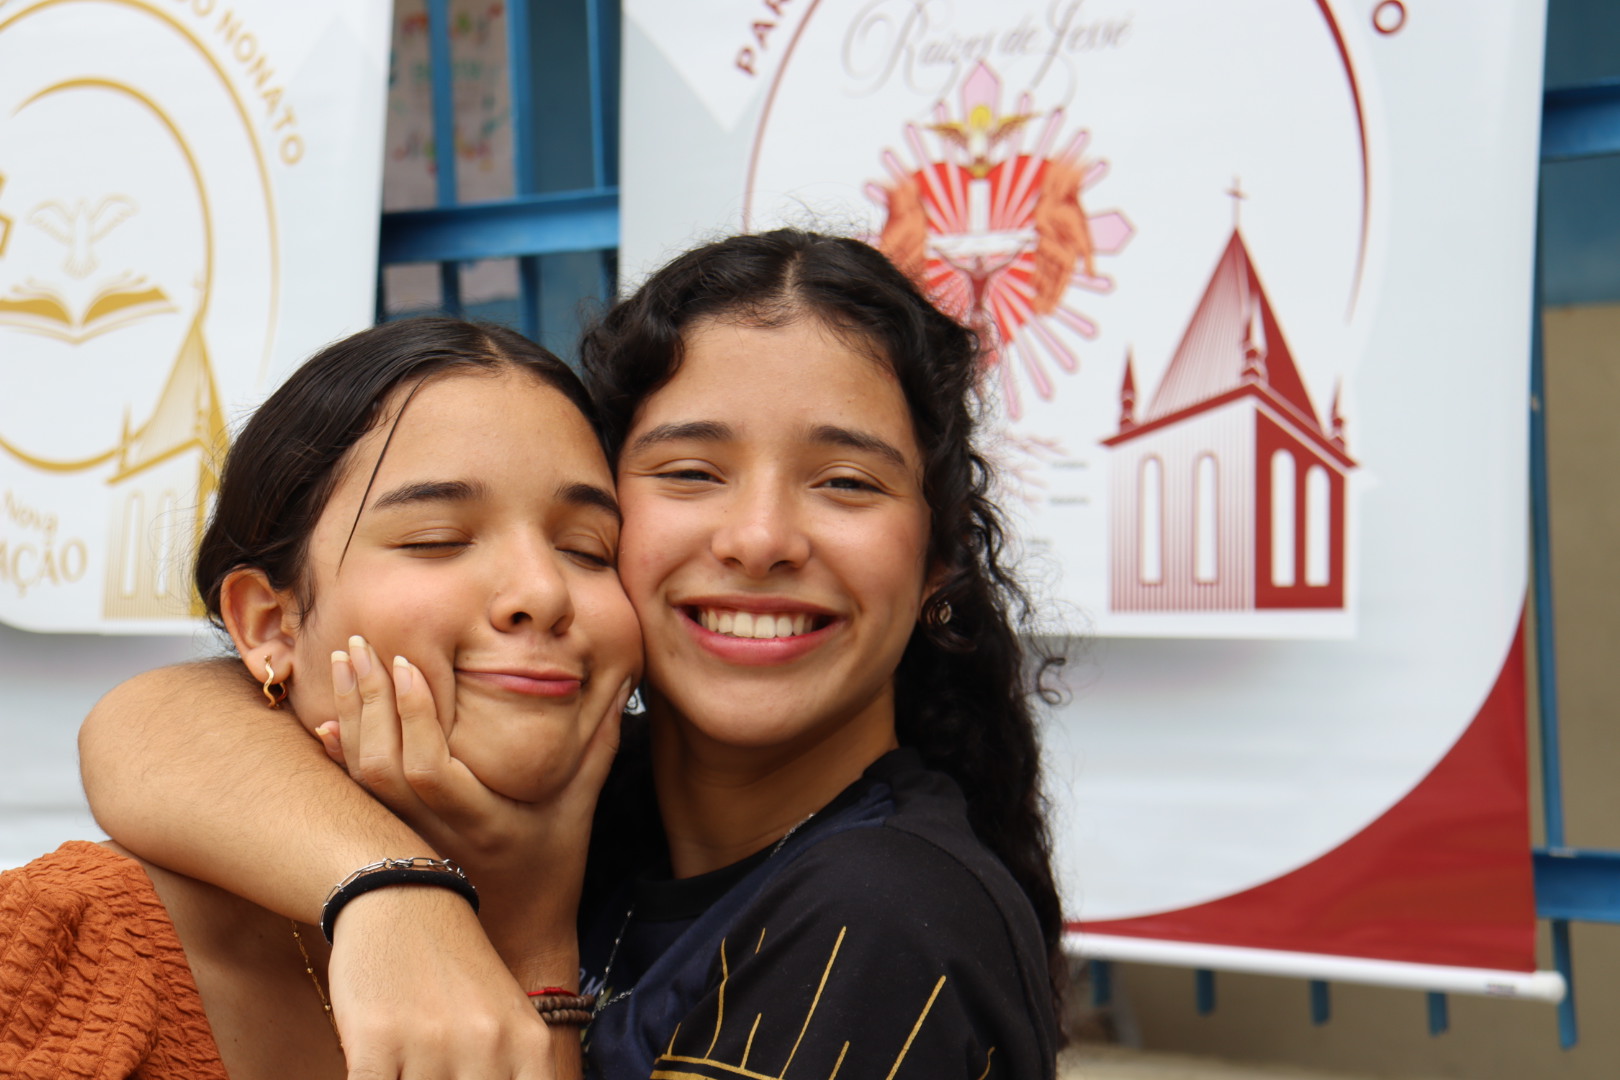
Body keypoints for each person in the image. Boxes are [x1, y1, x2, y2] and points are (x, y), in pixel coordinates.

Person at [77, 230, 1066, 1078]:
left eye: (847, 483)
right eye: (691, 472)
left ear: (938, 560)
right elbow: (158, 723)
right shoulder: (574, 794)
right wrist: (390, 889)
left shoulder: (882, 920)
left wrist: (532, 938)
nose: (760, 538)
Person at [1, 317, 639, 1080]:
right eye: (436, 539)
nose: (543, 591)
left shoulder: (670, 865)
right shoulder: (66, 949)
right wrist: (396, 888)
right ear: (270, 624)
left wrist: (538, 942)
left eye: (587, 549)